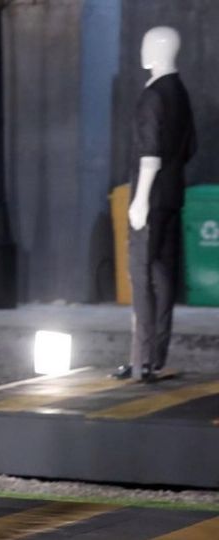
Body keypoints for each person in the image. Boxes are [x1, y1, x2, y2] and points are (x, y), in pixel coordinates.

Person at [112, 26, 196, 383]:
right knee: (163, 276)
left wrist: (141, 197)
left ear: (157, 51)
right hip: (173, 195)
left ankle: (140, 359)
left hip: (151, 195)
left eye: (148, 45)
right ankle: (156, 356)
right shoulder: (180, 92)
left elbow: (149, 153)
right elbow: (190, 147)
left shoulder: (153, 96)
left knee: (142, 275)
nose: (143, 51)